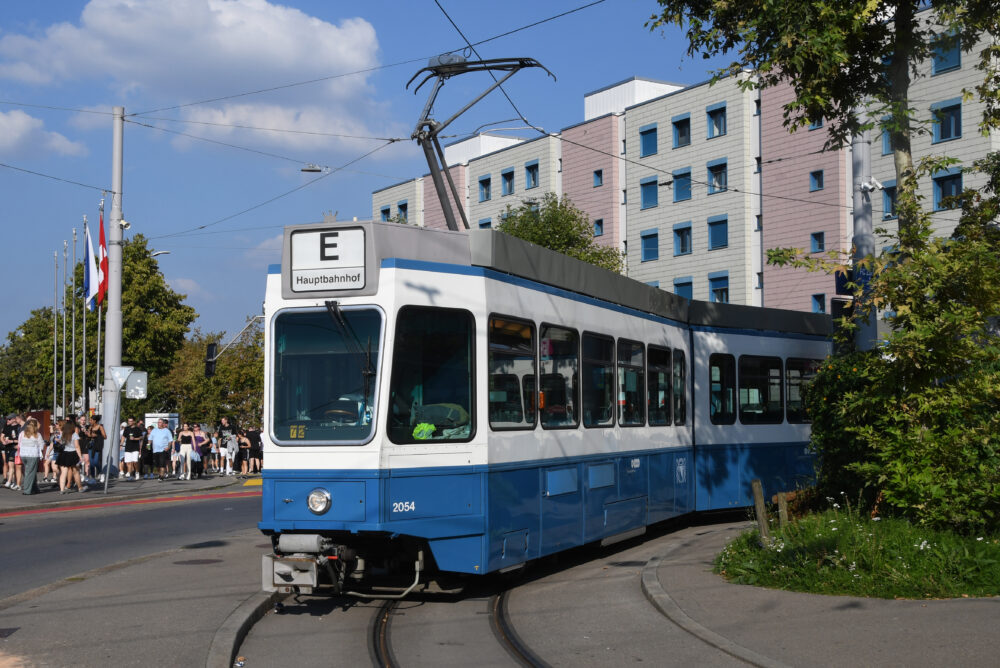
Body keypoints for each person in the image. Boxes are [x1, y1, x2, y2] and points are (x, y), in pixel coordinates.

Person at [57, 419, 87, 493]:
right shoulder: (74, 435)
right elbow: (77, 447)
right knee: (76, 472)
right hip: (73, 454)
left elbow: (61, 442)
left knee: (63, 472)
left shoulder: (63, 434)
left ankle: (62, 489)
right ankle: (80, 488)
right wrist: (80, 456)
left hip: (64, 453)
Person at [17, 417, 43, 495]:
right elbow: (41, 446)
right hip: (32, 454)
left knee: (31, 471)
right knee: (29, 472)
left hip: (23, 454)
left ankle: (35, 488)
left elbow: (19, 444)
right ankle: (27, 490)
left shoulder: (22, 433)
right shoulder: (37, 434)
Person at [122, 417, 145, 481]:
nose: (130, 422)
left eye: (131, 421)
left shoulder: (137, 429)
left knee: (135, 461)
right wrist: (121, 444)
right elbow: (123, 437)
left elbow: (141, 437)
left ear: (134, 422)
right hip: (128, 447)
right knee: (128, 462)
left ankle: (137, 472)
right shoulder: (126, 429)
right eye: (129, 421)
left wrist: (135, 438)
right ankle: (130, 473)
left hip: (135, 447)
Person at [89, 415, 107, 482]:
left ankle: (101, 473)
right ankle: (93, 477)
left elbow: (105, 436)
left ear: (95, 421)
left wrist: (97, 435)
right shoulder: (90, 427)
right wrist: (88, 434)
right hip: (91, 446)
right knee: (91, 463)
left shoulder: (100, 427)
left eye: (91, 420)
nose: (90, 421)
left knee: (96, 462)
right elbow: (89, 435)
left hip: (97, 445)